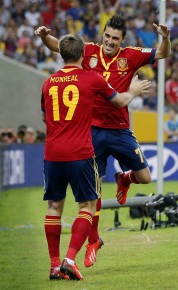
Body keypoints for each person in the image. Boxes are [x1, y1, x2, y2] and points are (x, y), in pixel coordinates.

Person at [35, 14, 171, 268]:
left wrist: (166, 37)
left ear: (123, 40)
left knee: (145, 178)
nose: (109, 42)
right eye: (107, 36)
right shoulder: (87, 51)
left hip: (120, 129)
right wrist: (44, 36)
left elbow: (163, 53)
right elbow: (58, 46)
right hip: (92, 131)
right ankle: (92, 241)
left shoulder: (132, 55)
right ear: (103, 34)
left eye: (115, 38)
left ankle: (124, 179)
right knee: (92, 191)